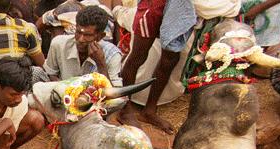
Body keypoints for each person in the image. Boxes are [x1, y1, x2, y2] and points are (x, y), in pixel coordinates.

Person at [116, 0, 198, 132]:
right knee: (138, 57)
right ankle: (125, 109)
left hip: (179, 6)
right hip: (152, 5)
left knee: (170, 59)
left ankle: (149, 111)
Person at [43, 5, 122, 85]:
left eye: (87, 35)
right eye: (78, 32)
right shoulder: (59, 44)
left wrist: (101, 64)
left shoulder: (113, 55)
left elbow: (115, 93)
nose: (80, 39)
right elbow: (50, 74)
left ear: (100, 37)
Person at [0, 0, 45, 80]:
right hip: (15, 86)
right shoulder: (24, 28)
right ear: (10, 6)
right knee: (37, 71)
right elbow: (41, 64)